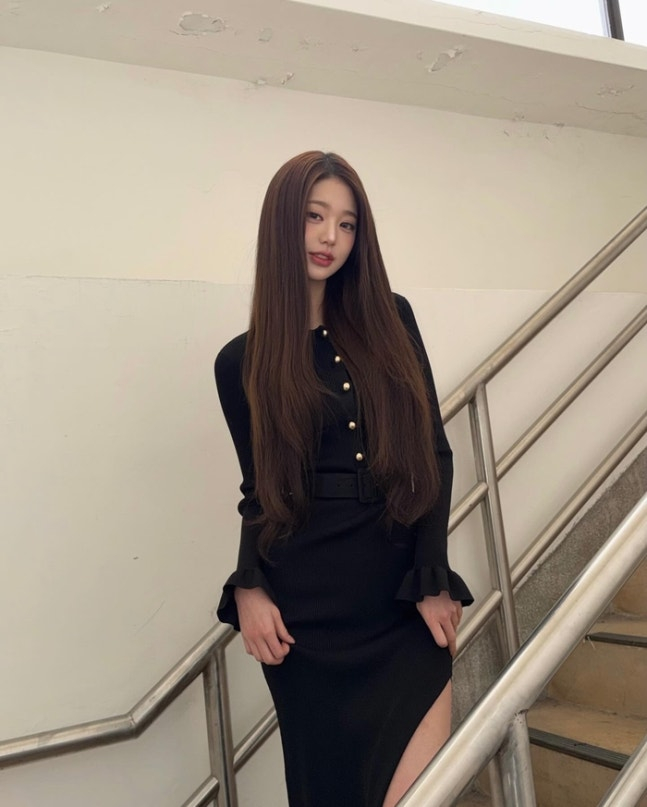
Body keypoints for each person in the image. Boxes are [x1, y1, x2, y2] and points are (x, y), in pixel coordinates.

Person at [214, 151, 473, 807]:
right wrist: (249, 585)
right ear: (282, 223)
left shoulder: (392, 319)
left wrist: (432, 575)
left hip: (397, 602)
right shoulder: (239, 362)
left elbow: (432, 451)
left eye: (347, 223)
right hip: (307, 615)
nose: (331, 236)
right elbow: (259, 491)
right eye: (314, 216)